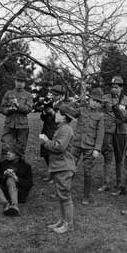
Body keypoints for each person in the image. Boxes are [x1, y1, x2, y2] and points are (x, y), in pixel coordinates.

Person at [39, 103, 78, 234]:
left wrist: (46, 142)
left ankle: (68, 224)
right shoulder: (62, 128)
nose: (56, 114)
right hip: (59, 166)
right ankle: (62, 220)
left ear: (64, 117)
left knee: (65, 196)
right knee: (61, 196)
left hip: (64, 167)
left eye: (58, 113)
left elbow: (59, 147)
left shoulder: (66, 129)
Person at [71, 88, 105, 205]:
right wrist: (74, 102)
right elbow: (68, 111)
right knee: (70, 167)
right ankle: (64, 191)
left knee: (87, 171)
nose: (95, 103)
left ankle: (86, 196)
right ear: (89, 99)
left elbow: (100, 134)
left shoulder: (100, 116)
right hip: (76, 144)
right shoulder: (81, 110)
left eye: (98, 102)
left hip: (89, 147)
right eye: (94, 100)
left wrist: (97, 148)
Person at [99, 76, 127, 195]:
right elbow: (99, 111)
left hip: (120, 132)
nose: (113, 89)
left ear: (121, 88)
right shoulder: (105, 98)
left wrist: (122, 114)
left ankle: (119, 184)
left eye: (116, 87)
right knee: (107, 155)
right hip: (107, 130)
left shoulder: (126, 100)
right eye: (112, 87)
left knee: (119, 158)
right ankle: (106, 183)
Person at [0, 71, 33, 157]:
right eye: (18, 81)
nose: (19, 83)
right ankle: (4, 169)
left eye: (22, 81)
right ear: (15, 81)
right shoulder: (8, 93)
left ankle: (20, 169)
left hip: (22, 126)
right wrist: (9, 110)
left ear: (25, 83)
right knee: (6, 149)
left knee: (20, 150)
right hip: (9, 125)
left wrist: (18, 106)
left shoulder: (28, 95)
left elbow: (29, 109)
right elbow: (2, 108)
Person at [38, 84, 66, 182]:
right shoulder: (50, 103)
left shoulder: (63, 105)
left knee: (53, 154)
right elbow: (42, 117)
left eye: (55, 94)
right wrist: (45, 112)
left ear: (61, 95)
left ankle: (55, 175)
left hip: (55, 131)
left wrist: (53, 113)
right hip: (46, 129)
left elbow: (63, 119)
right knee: (45, 153)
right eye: (52, 94)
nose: (53, 96)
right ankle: (51, 173)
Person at [0, 148, 33, 216]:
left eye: (11, 152)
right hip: (4, 192)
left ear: (17, 156)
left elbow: (29, 184)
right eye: (8, 151)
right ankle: (5, 204)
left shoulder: (26, 167)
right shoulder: (2, 164)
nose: (8, 153)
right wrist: (4, 175)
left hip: (19, 192)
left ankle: (14, 206)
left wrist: (16, 178)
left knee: (11, 179)